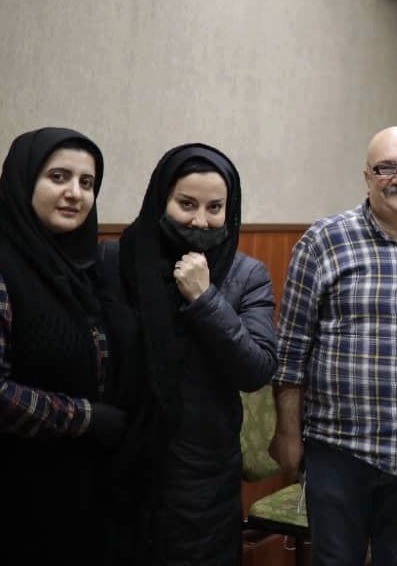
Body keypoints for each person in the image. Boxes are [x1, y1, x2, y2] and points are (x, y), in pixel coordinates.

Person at [269, 126, 397, 566]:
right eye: (386, 168)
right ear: (367, 178)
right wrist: (287, 433)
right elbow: (290, 351)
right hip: (339, 451)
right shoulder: (324, 240)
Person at [0, 127, 133, 564]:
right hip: (10, 502)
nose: (75, 193)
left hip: (79, 494)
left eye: (87, 182)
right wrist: (86, 417)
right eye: (58, 177)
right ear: (23, 181)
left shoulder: (82, 267)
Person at [99, 143, 277, 565]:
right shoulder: (114, 261)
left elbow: (256, 369)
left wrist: (205, 298)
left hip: (203, 475)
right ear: (161, 199)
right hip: (120, 460)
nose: (200, 220)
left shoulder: (246, 274)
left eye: (215, 208)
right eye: (186, 204)